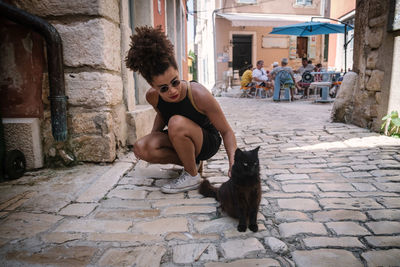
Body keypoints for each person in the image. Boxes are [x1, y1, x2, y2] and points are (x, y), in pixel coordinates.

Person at [125, 26, 237, 194]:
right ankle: (192, 164)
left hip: (206, 141)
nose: (172, 91)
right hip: (179, 135)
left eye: (175, 82)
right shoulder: (152, 97)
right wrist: (152, 138)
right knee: (141, 147)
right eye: (163, 88)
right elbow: (162, 115)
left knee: (176, 122)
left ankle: (191, 175)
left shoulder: (198, 94)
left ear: (178, 72)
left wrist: (233, 164)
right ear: (152, 86)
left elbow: (226, 131)